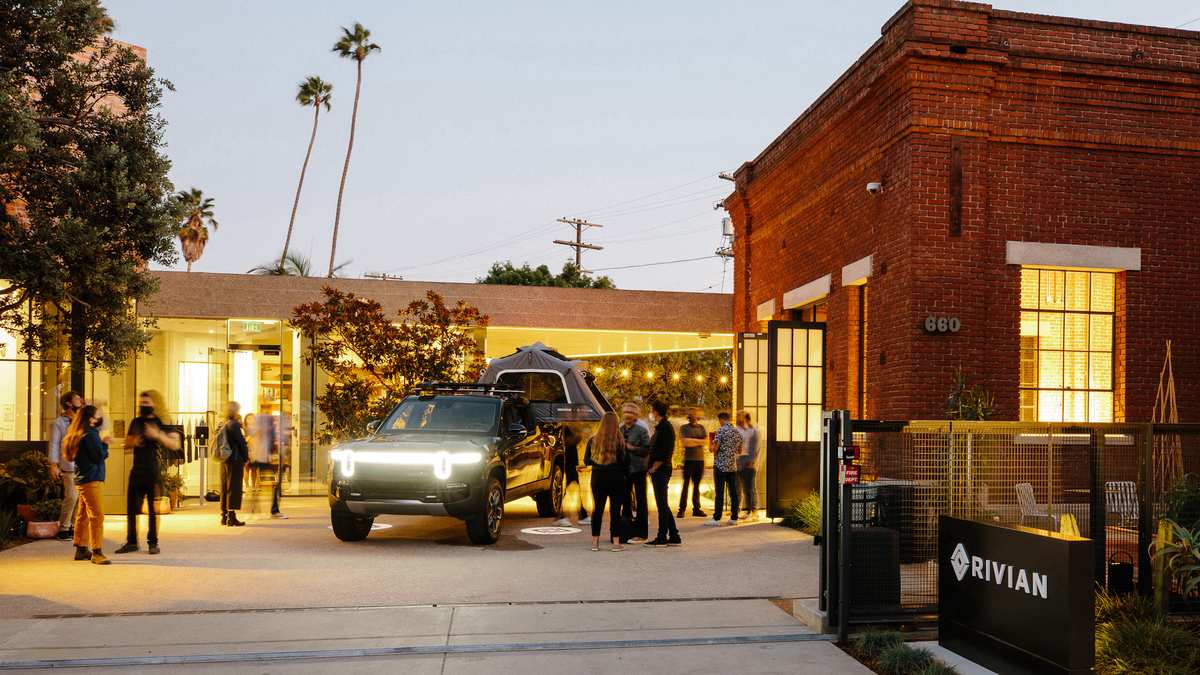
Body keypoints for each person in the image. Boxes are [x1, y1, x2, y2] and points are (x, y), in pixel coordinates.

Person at [116, 391, 178, 555]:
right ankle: (131, 542)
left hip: (153, 471)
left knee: (152, 509)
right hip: (137, 470)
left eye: (146, 402)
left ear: (154, 404)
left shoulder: (160, 422)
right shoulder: (136, 422)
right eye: (141, 402)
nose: (143, 405)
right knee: (131, 508)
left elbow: (175, 444)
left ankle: (153, 542)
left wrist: (157, 435)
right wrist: (132, 442)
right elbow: (126, 445)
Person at [63, 405, 110, 564]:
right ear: (91, 418)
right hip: (91, 478)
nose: (99, 418)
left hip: (83, 478)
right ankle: (97, 552)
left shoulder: (80, 432)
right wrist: (105, 443)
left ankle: (81, 548)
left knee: (83, 514)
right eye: (97, 415)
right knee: (97, 515)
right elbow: (99, 456)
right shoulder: (90, 434)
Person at [584, 412, 627, 552]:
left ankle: (595, 543)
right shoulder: (620, 440)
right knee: (615, 511)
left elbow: (586, 461)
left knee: (597, 510)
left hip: (598, 478)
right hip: (616, 478)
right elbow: (624, 461)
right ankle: (616, 543)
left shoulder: (593, 440)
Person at [644, 400, 681, 547]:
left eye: (652, 410)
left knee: (661, 504)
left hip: (661, 469)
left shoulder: (665, 428)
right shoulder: (662, 426)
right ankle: (674, 535)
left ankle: (661, 537)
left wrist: (654, 467)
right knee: (663, 503)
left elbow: (664, 451)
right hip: (659, 469)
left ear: (656, 412)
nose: (651, 413)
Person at [47, 390, 83, 541]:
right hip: (69, 466)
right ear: (68, 403)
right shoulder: (58, 423)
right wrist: (53, 465)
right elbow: (54, 444)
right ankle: (63, 528)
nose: (81, 400)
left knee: (81, 499)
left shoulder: (82, 421)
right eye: (77, 398)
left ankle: (73, 526)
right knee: (71, 497)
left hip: (84, 466)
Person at [704, 411, 743, 527]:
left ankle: (716, 518)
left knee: (719, 493)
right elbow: (739, 451)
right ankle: (734, 518)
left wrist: (711, 447)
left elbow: (715, 449)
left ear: (721, 419)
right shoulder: (737, 432)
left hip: (720, 466)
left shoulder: (720, 431)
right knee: (733, 493)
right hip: (732, 467)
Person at [617, 402, 650, 543]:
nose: (627, 415)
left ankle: (641, 533)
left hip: (638, 469)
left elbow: (647, 450)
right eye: (625, 412)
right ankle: (626, 532)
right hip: (623, 471)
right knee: (625, 500)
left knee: (641, 501)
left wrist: (632, 448)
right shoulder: (619, 429)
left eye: (630, 413)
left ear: (636, 416)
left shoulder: (641, 431)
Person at [219, 402, 250, 526]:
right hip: (235, 459)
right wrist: (246, 457)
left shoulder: (222, 423)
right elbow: (241, 443)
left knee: (224, 487)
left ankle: (224, 516)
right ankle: (231, 517)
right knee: (234, 487)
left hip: (224, 459)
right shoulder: (234, 425)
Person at [676, 408, 708, 519]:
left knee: (697, 485)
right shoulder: (684, 428)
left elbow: (706, 442)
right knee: (686, 485)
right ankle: (682, 509)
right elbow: (685, 443)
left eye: (696, 414)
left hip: (700, 460)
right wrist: (699, 442)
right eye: (692, 414)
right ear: (689, 416)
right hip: (688, 460)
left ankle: (696, 509)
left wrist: (692, 441)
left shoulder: (701, 427)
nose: (694, 415)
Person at [555, 426, 589, 526]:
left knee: (572, 490)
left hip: (572, 464)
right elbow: (568, 442)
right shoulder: (564, 428)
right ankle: (563, 516)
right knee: (569, 491)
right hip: (568, 465)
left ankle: (581, 514)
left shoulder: (569, 427)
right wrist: (580, 435)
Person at [736, 410, 761, 521]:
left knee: (750, 488)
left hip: (749, 462)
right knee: (738, 488)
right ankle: (739, 510)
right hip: (738, 461)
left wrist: (752, 461)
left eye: (739, 416)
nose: (737, 418)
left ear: (746, 418)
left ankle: (754, 511)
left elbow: (756, 448)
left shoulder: (754, 431)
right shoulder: (738, 430)